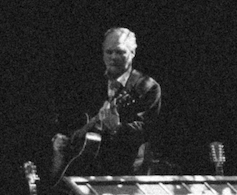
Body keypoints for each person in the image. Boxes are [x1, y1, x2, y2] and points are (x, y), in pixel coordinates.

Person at [51, 27, 165, 180]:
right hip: (86, 167)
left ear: (133, 53)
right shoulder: (91, 82)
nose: (113, 57)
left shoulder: (147, 87)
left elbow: (146, 130)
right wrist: (62, 137)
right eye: (109, 52)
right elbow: (69, 116)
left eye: (120, 52)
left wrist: (118, 128)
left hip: (126, 171)